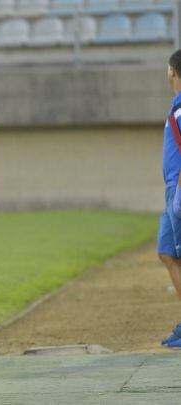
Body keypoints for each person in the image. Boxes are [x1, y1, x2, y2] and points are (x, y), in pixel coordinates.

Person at [159, 49, 181, 349]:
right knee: (166, 252)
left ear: (173, 72)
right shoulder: (176, 107)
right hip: (172, 192)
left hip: (179, 192)